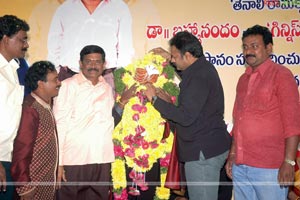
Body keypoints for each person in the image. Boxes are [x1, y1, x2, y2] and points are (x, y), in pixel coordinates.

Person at [144, 31, 232, 200]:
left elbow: (185, 116)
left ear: (189, 55)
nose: (173, 59)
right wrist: (169, 59)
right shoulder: (200, 69)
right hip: (207, 147)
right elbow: (188, 76)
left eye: (175, 56)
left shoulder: (199, 75)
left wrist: (154, 100)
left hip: (202, 153)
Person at [225, 25, 300, 200]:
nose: (248, 51)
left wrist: (289, 162)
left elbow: (293, 123)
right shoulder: (242, 80)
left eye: (254, 46)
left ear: (269, 48)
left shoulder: (281, 75)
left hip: (270, 168)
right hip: (241, 166)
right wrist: (233, 155)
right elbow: (239, 122)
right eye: (245, 46)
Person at [53, 45, 136, 200]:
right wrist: (59, 162)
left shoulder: (106, 87)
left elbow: (110, 120)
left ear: (104, 65)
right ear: (81, 63)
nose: (93, 65)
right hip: (74, 160)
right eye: (88, 61)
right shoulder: (68, 85)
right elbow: (60, 125)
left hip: (101, 160)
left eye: (97, 62)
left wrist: (124, 101)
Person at [47, 0, 134, 91]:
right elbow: (54, 49)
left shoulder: (119, 7)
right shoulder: (64, 9)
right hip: (69, 78)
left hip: (106, 78)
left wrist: (121, 82)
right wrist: (52, 79)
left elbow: (125, 50)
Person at [11, 61, 61, 200]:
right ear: (40, 83)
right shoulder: (31, 108)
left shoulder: (45, 105)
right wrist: (25, 187)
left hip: (45, 184)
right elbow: (21, 150)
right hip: (32, 188)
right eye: (55, 80)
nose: (59, 83)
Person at [0, 14, 29, 200]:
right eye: (22, 39)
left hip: (11, 157)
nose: (26, 45)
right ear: (5, 38)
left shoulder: (16, 68)